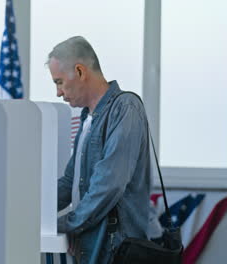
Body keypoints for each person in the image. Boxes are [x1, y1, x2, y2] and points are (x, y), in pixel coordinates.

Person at [47, 36, 152, 263]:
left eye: (59, 82)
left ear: (80, 72)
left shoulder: (125, 108)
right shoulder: (87, 118)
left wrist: (65, 224)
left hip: (114, 249)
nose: (58, 92)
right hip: (91, 244)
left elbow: (108, 185)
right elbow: (69, 182)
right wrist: (32, 208)